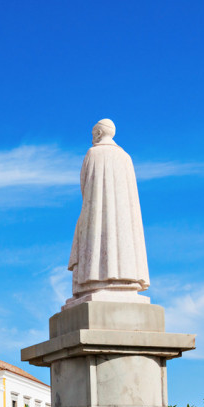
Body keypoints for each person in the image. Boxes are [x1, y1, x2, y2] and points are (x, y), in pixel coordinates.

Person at [68, 119, 150, 300]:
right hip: (124, 221)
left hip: (96, 215)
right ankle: (126, 278)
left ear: (98, 133)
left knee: (97, 237)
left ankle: (95, 279)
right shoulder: (126, 158)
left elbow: (85, 187)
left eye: (92, 135)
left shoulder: (93, 153)